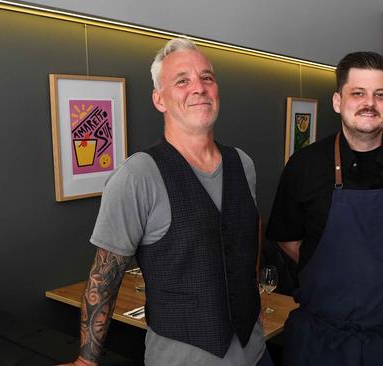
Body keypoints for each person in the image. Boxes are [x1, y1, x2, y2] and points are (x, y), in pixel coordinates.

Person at [63, 37, 273, 366]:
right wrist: (87, 361)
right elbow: (103, 278)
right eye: (182, 80)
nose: (199, 88)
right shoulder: (138, 176)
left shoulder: (243, 164)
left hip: (257, 356)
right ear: (159, 99)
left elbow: (249, 236)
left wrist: (253, 302)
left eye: (207, 78)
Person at [266, 51, 383, 365]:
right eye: (358, 93)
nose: (370, 103)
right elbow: (288, 239)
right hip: (322, 342)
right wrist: (338, 269)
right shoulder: (304, 165)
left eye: (379, 95)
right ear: (338, 101)